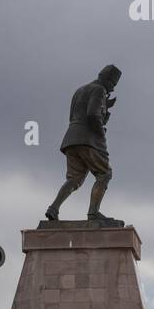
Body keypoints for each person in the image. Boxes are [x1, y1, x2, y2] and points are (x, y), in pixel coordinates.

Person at [45, 64, 122, 224]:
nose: (112, 89)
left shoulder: (80, 90)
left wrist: (105, 108)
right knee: (104, 174)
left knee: (74, 179)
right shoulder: (99, 90)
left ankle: (53, 208)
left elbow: (76, 114)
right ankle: (93, 213)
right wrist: (101, 134)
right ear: (107, 79)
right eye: (113, 84)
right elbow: (93, 115)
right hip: (88, 139)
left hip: (71, 139)